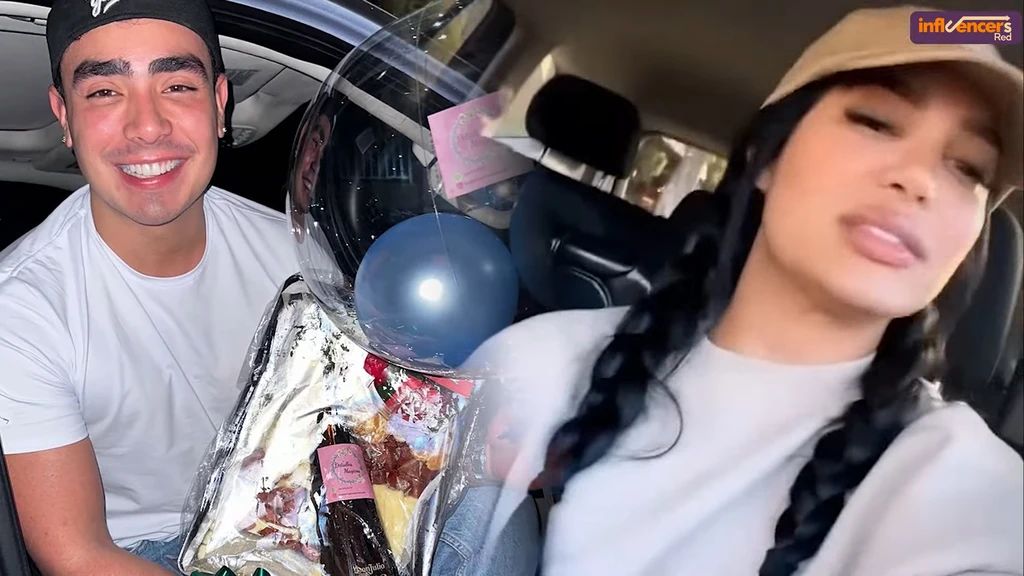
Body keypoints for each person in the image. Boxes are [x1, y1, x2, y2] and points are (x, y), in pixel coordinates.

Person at [467, 6, 1024, 576]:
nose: (923, 179)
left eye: (969, 169)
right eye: (876, 121)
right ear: (764, 156)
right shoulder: (537, 363)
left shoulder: (972, 495)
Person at [0, 0, 301, 573]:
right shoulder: (22, 308)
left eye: (177, 86)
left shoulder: (295, 255)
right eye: (104, 92)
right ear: (64, 116)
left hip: (298, 513)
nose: (147, 126)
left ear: (219, 103)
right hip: (149, 553)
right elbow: (77, 554)